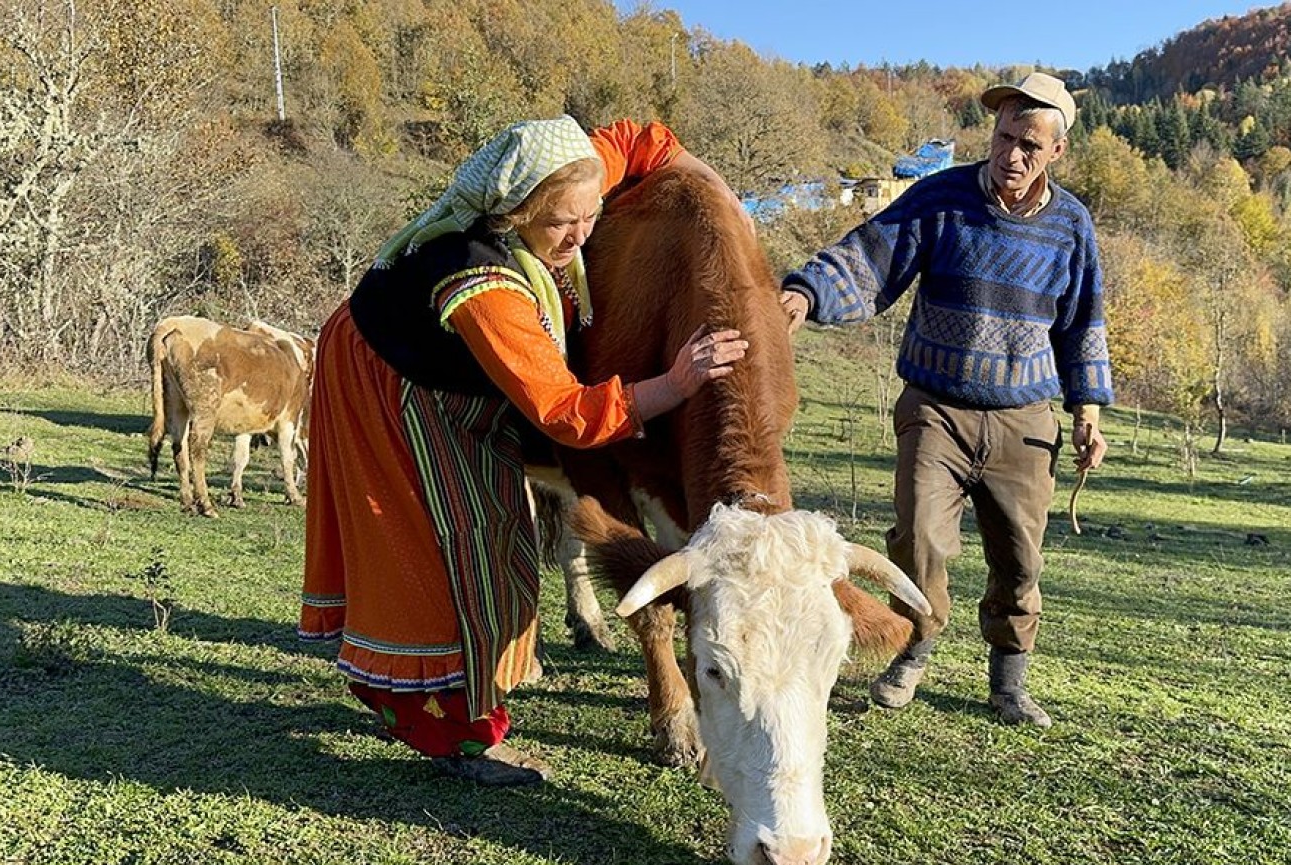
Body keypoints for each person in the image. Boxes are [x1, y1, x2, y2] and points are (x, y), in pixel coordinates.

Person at [299, 116, 749, 786]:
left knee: (494, 538)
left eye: (591, 215)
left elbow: (637, 139)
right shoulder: (487, 288)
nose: (581, 235)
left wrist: (727, 203)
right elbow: (565, 413)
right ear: (514, 213)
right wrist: (676, 383)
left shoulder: (566, 165)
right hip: (395, 384)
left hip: (425, 366)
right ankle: (454, 729)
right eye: (562, 223)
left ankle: (458, 706)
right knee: (464, 546)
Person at [778, 72, 1112, 727]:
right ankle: (915, 647)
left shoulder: (1071, 225)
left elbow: (1084, 322)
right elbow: (869, 257)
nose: (1011, 155)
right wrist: (807, 292)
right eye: (1004, 136)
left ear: (1057, 153)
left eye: (1029, 146)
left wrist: (1088, 413)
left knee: (1020, 560)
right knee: (919, 542)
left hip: (1025, 418)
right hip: (936, 407)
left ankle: (1008, 683)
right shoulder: (940, 199)